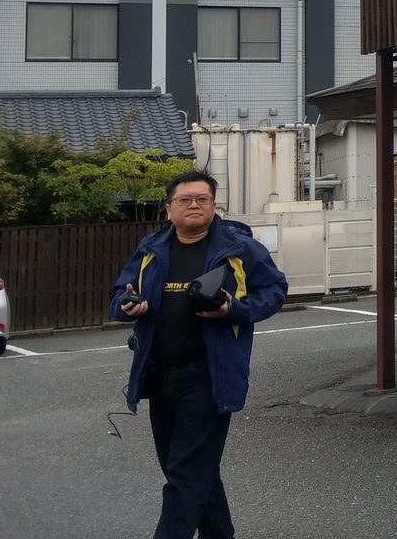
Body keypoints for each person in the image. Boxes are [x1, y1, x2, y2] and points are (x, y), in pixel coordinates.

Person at [111, 170, 289, 539]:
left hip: (208, 376)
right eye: (185, 199)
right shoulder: (151, 248)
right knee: (191, 470)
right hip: (159, 375)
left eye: (202, 199)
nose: (194, 205)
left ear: (213, 204)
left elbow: (275, 290)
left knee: (185, 474)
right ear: (169, 208)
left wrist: (234, 310)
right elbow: (119, 293)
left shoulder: (238, 249)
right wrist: (126, 306)